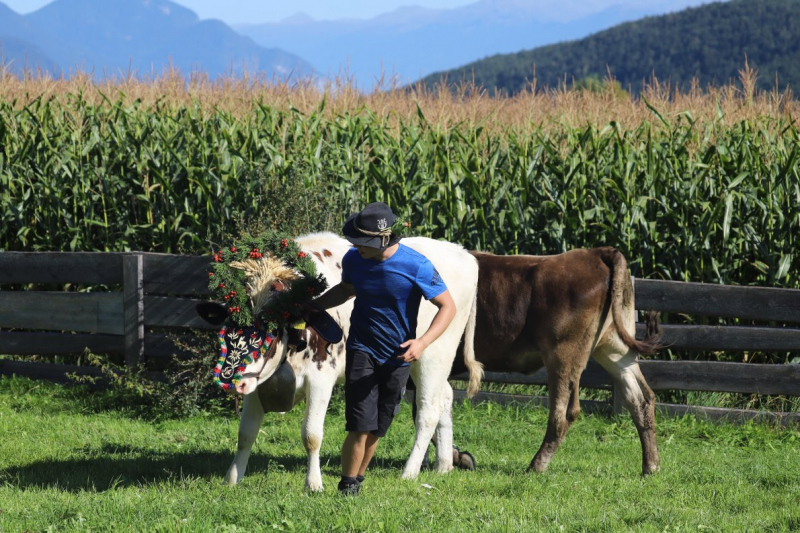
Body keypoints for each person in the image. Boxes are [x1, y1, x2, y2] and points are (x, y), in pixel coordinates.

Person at [312, 202, 456, 496]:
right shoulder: (354, 259)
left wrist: (423, 342)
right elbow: (346, 289)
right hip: (362, 347)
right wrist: (314, 306)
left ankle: (357, 478)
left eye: (362, 242)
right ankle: (347, 485)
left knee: (379, 424)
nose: (355, 246)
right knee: (360, 422)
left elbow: (448, 306)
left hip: (398, 355)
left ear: (383, 239)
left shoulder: (416, 265)